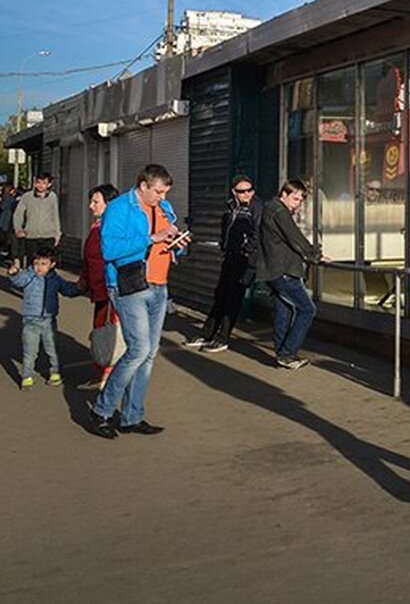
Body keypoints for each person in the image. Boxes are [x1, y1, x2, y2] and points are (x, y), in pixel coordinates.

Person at [88, 164, 187, 439]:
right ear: (143, 186)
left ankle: (132, 416)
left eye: (166, 192)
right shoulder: (119, 208)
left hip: (159, 285)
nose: (162, 197)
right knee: (139, 349)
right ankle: (101, 410)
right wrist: (150, 238)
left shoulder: (163, 208)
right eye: (158, 191)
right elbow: (110, 249)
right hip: (128, 285)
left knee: (149, 354)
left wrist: (178, 243)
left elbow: (169, 237)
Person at [184, 175, 263, 353]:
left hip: (244, 258)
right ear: (234, 191)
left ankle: (223, 337)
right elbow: (225, 229)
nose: (247, 194)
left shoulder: (256, 207)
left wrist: (247, 249)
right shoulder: (230, 207)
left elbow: (258, 233)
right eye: (242, 191)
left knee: (233, 298)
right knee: (220, 295)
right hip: (229, 256)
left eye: (250, 190)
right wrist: (223, 247)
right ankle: (207, 333)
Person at [258, 179, 328, 370]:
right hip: (284, 270)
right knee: (307, 309)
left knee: (285, 309)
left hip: (274, 270)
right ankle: (287, 353)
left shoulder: (270, 209)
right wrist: (315, 255)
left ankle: (282, 353)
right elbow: (294, 237)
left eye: (300, 200)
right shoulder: (280, 212)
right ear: (284, 195)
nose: (298, 204)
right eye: (295, 199)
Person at [9, 247, 82, 389]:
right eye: (36, 263)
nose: (39, 267)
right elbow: (19, 280)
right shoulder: (29, 276)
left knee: (52, 349)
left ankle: (55, 374)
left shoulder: (56, 279)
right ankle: (27, 377)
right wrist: (14, 273)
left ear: (52, 264)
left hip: (49, 320)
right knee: (30, 352)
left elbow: (68, 289)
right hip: (30, 321)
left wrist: (79, 288)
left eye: (43, 264)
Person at [79, 184, 121, 389]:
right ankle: (103, 373)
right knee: (101, 329)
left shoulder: (113, 227)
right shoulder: (97, 225)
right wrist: (84, 278)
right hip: (98, 287)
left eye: (96, 202)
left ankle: (106, 376)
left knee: (108, 331)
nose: (90, 206)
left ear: (109, 204)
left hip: (110, 288)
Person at [13, 172, 61, 266]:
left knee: (46, 264)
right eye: (38, 182)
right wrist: (18, 229)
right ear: (34, 183)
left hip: (48, 236)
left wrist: (57, 234)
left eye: (44, 183)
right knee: (33, 263)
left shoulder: (52, 197)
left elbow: (55, 216)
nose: (40, 185)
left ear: (49, 184)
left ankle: (45, 280)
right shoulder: (27, 197)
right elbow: (18, 214)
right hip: (31, 236)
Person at [0, 184, 16, 257]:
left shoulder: (8, 199)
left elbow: (2, 207)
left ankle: (5, 249)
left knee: (4, 235)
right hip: (5, 219)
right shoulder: (10, 198)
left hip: (6, 219)